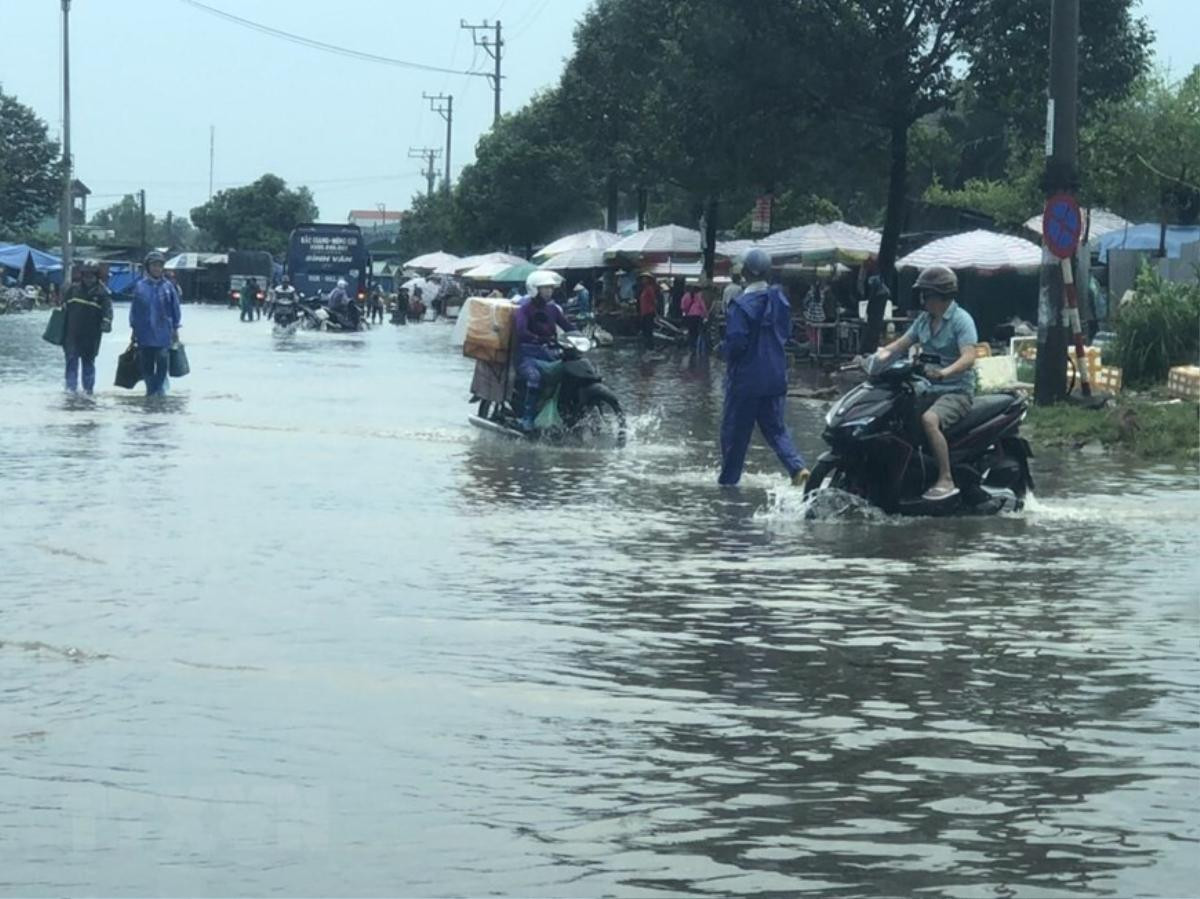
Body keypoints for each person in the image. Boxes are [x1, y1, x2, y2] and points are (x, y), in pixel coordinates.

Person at [874, 264, 978, 502]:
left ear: (942, 296)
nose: (923, 299)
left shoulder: (962, 320)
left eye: (927, 294)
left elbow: (969, 357)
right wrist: (874, 358)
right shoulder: (923, 320)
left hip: (956, 390)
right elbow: (900, 345)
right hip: (927, 387)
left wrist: (945, 373)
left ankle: (945, 478)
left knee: (929, 420)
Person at [718, 248, 808, 487]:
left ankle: (727, 488)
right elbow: (786, 333)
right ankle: (798, 468)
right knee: (777, 430)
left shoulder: (740, 305)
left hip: (746, 381)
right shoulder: (780, 301)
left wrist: (722, 350)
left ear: (745, 272)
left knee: (734, 436)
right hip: (776, 377)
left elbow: (736, 343)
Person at [514, 270, 578, 431]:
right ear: (535, 289)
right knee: (535, 378)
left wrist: (581, 335)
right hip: (527, 355)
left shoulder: (553, 309)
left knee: (569, 372)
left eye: (550, 288)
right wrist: (538, 338)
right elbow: (521, 331)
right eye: (545, 288)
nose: (549, 291)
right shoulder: (524, 309)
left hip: (549, 352)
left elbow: (567, 326)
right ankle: (527, 418)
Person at [130, 250, 181, 396]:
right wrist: (134, 330)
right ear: (148, 267)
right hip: (144, 334)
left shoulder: (168, 287)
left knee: (163, 360)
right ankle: (150, 392)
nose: (157, 268)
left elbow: (175, 309)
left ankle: (159, 390)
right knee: (146, 364)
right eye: (154, 265)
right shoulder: (140, 287)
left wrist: (175, 329)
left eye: (159, 265)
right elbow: (135, 311)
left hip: (163, 333)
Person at [62, 261, 113, 394]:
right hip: (72, 336)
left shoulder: (103, 293)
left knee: (88, 364)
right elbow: (62, 312)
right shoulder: (73, 290)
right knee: (71, 363)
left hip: (91, 337)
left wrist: (106, 322)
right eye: (86, 275)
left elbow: (108, 312)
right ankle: (70, 392)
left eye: (92, 275)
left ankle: (88, 392)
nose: (88, 278)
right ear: (82, 275)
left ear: (97, 276)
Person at [681, 282, 708, 349]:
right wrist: (706, 315)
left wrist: (686, 311)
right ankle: (697, 345)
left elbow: (682, 307)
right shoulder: (698, 297)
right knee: (697, 331)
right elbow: (703, 307)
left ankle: (691, 346)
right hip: (698, 317)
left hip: (689, 316)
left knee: (691, 331)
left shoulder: (685, 296)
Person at [637, 273, 657, 348]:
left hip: (649, 312)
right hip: (644, 313)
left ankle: (650, 347)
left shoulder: (649, 289)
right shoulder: (644, 289)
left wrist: (655, 311)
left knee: (648, 330)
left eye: (645, 278)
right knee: (645, 330)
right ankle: (647, 346)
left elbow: (653, 300)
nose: (643, 280)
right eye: (643, 279)